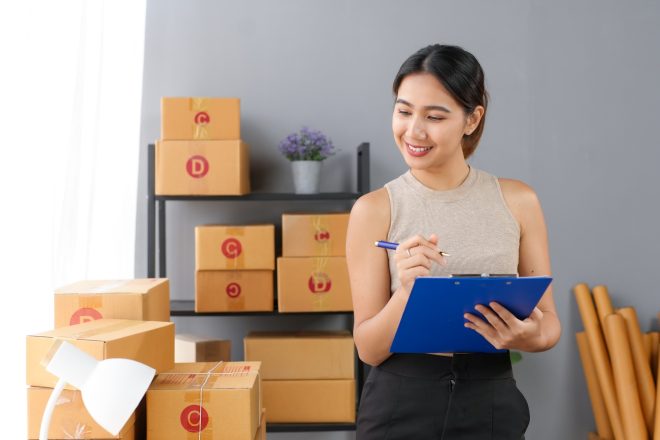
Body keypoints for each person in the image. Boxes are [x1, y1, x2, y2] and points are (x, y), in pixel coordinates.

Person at [346, 44, 561, 440]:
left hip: (492, 398)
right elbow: (369, 350)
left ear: (472, 119)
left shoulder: (518, 201)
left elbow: (549, 325)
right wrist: (406, 291)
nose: (414, 131)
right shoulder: (373, 210)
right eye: (404, 110)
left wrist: (528, 336)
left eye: (435, 116)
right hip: (399, 403)